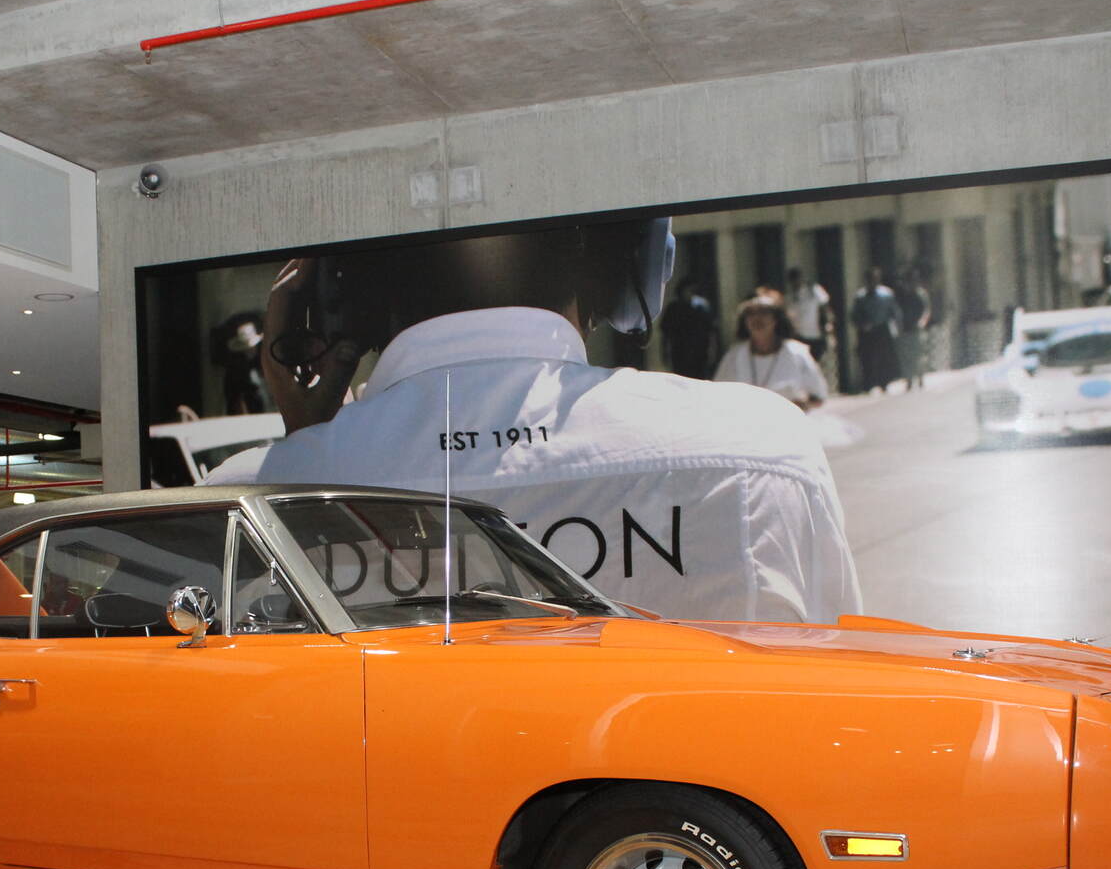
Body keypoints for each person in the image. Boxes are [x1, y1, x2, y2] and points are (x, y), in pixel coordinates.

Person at [204, 221, 861, 626]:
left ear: (329, 297)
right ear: (629, 265)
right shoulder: (762, 448)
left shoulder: (236, 501)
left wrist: (305, 458)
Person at [713, 293, 828, 409]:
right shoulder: (734, 355)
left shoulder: (797, 353)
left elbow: (819, 397)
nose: (757, 318)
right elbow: (716, 396)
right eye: (750, 313)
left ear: (776, 318)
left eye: (764, 312)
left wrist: (800, 405)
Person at [657, 276, 721, 380]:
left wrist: (712, 350)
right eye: (688, 290)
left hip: (700, 352)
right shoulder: (673, 308)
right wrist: (664, 353)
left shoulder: (702, 306)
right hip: (680, 353)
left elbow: (711, 331)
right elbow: (666, 334)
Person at [850, 267, 900, 394]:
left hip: (882, 328)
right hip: (867, 331)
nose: (872, 282)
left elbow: (894, 312)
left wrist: (896, 327)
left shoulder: (886, 294)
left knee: (884, 356)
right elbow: (854, 315)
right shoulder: (860, 296)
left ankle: (884, 382)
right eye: (870, 280)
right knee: (867, 357)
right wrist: (862, 324)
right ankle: (868, 384)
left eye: (874, 279)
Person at [782, 267, 833, 364]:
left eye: (797, 279)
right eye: (793, 281)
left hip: (816, 335)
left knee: (817, 363)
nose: (796, 283)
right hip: (800, 337)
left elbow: (824, 307)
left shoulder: (814, 291)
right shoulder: (789, 298)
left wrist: (827, 325)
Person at [892, 267, 931, 391]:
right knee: (906, 356)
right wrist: (898, 325)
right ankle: (909, 380)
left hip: (917, 329)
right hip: (905, 329)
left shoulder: (921, 294)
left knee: (919, 355)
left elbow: (926, 310)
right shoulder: (901, 295)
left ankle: (920, 378)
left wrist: (922, 322)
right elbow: (897, 311)